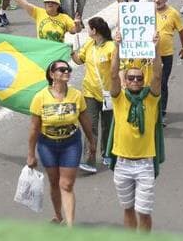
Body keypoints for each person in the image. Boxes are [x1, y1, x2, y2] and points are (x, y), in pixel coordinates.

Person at [27, 59, 96, 227]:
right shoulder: (40, 97)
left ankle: (70, 227)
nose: (66, 72)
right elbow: (34, 128)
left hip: (71, 144)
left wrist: (92, 142)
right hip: (47, 145)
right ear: (52, 75)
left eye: (68, 69)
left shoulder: (76, 95)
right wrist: (31, 154)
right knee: (54, 181)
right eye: (61, 70)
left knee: (66, 184)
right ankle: (58, 215)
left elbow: (85, 119)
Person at [109, 35, 163, 232]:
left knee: (144, 211)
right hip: (122, 163)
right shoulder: (119, 97)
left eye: (139, 78)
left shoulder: (151, 98)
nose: (134, 81)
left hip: (144, 164)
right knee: (128, 209)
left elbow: (157, 76)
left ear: (143, 80)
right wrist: (116, 47)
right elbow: (113, 75)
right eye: (130, 77)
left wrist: (156, 50)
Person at [71, 16, 117, 173]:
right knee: (90, 127)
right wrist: (71, 53)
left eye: (89, 28)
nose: (87, 30)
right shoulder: (89, 44)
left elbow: (119, 68)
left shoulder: (112, 47)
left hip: (108, 94)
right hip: (89, 92)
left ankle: (108, 154)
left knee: (107, 125)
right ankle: (89, 160)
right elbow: (79, 60)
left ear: (95, 30)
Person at [152, 0, 183, 120]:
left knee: (162, 82)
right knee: (149, 82)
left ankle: (162, 112)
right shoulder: (147, 11)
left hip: (165, 54)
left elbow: (182, 31)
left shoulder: (173, 13)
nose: (157, 1)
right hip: (149, 55)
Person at [1, 0, 82, 42]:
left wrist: (77, 25)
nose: (50, 3)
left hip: (57, 53)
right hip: (43, 51)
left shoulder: (65, 18)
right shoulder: (39, 12)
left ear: (58, 5)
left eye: (53, 2)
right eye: (48, 2)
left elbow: (74, 31)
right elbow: (25, 4)